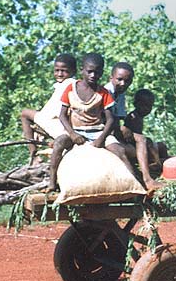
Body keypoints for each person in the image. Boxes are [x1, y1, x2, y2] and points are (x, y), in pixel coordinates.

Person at [47, 53, 133, 192]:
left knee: (120, 151)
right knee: (58, 144)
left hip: (97, 130)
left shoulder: (103, 93)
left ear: (102, 73)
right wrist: (72, 134)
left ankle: (136, 185)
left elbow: (110, 119)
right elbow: (62, 115)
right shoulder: (71, 88)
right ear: (82, 70)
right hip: (77, 130)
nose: (93, 75)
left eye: (97, 72)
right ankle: (52, 182)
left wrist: (101, 138)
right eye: (90, 71)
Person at [20, 53, 76, 166]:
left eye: (64, 71)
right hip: (62, 122)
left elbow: (52, 112)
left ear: (73, 71)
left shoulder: (68, 83)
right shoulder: (67, 84)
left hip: (60, 124)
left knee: (25, 114)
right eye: (57, 70)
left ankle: (33, 155)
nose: (60, 74)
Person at [120, 89, 164, 190]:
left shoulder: (139, 116)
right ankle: (159, 166)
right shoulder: (133, 117)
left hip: (139, 144)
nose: (146, 109)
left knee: (161, 145)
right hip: (134, 146)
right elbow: (131, 137)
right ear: (135, 104)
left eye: (149, 106)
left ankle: (161, 166)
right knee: (151, 143)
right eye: (143, 105)